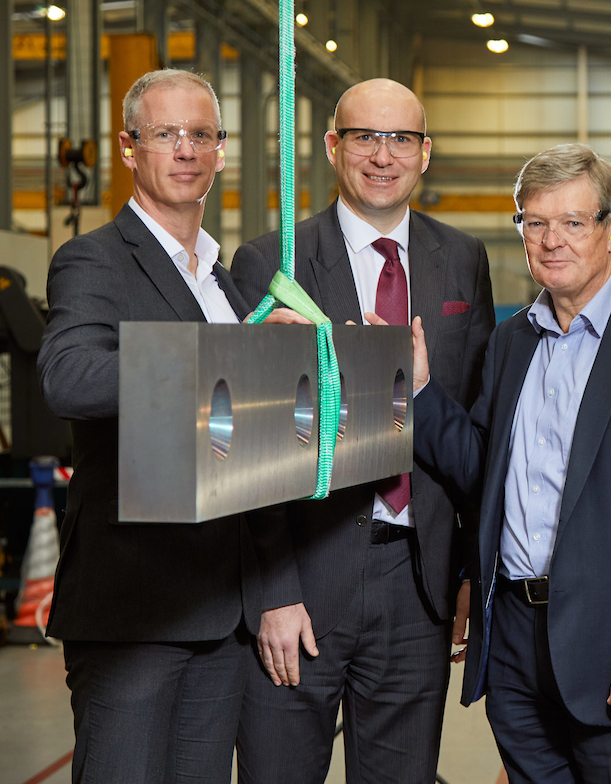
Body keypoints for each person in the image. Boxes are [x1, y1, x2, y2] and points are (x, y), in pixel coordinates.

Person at [409, 143, 611, 783]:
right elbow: (481, 474)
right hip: (516, 647)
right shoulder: (511, 342)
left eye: (573, 222)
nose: (552, 240)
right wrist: (419, 391)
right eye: (535, 222)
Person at [230, 79, 495, 783]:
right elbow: (249, 453)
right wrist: (275, 594)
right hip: (306, 584)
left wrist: (468, 571)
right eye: (364, 137)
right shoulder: (273, 265)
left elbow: (473, 423)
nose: (384, 155)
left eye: (401, 138)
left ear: (425, 152)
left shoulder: (464, 258)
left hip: (420, 586)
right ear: (331, 146)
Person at [38, 69, 260, 783]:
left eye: (202, 134)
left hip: (220, 610)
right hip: (132, 611)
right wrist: (214, 358)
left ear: (221, 151)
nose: (187, 150)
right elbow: (68, 377)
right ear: (130, 148)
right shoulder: (94, 259)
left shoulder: (227, 282)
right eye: (166, 134)